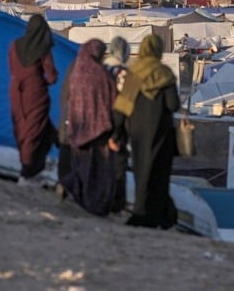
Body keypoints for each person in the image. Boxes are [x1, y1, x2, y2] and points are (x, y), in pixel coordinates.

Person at [113, 34, 180, 228]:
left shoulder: (134, 73)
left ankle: (141, 213)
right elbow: (173, 105)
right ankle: (158, 215)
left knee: (142, 172)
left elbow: (123, 106)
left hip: (139, 133)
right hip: (162, 133)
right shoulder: (165, 73)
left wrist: (116, 133)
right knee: (160, 174)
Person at [60, 39, 119, 216]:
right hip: (99, 129)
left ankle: (75, 192)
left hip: (78, 127)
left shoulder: (75, 71)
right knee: (99, 170)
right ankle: (95, 205)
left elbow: (66, 97)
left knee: (80, 165)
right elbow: (113, 99)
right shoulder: (102, 74)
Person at [8, 14, 58, 185]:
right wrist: (40, 80)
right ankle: (28, 170)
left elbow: (12, 68)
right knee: (34, 130)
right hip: (35, 93)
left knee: (23, 127)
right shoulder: (42, 49)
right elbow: (51, 76)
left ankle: (32, 167)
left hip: (16, 92)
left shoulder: (14, 46)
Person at [103, 36, 131, 212]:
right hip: (116, 126)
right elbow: (124, 105)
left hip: (98, 124)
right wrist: (117, 133)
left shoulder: (100, 69)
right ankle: (115, 204)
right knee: (118, 168)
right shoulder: (123, 74)